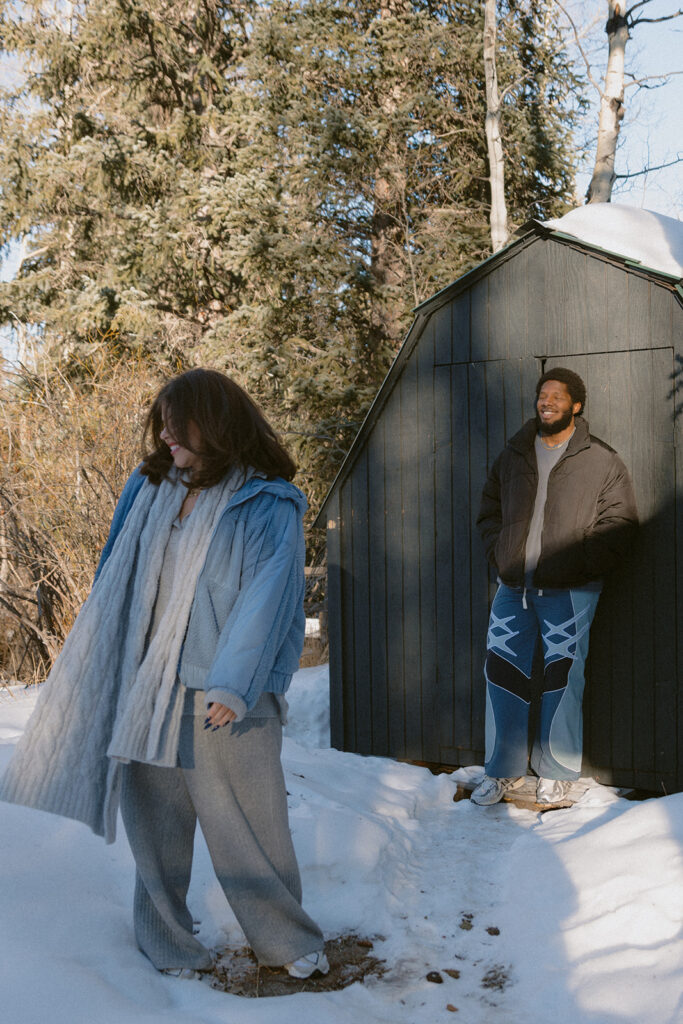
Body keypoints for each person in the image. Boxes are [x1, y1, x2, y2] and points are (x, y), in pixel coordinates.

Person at [0, 368, 329, 980]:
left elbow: (268, 597)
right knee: (153, 827)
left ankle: (286, 941)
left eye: (180, 424)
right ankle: (166, 942)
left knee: (249, 828)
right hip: (146, 678)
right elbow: (112, 573)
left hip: (225, 687)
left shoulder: (266, 500)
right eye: (164, 424)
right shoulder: (149, 484)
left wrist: (234, 683)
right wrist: (102, 658)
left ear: (217, 423)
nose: (167, 435)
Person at [472, 367, 638, 806]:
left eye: (557, 396)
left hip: (571, 590)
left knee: (562, 676)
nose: (546, 402)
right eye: (542, 395)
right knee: (501, 670)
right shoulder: (514, 454)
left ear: (576, 405)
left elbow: (620, 524)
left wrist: (577, 566)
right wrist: (501, 554)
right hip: (514, 587)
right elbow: (489, 510)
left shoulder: (601, 459)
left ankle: (558, 772)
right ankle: (502, 772)